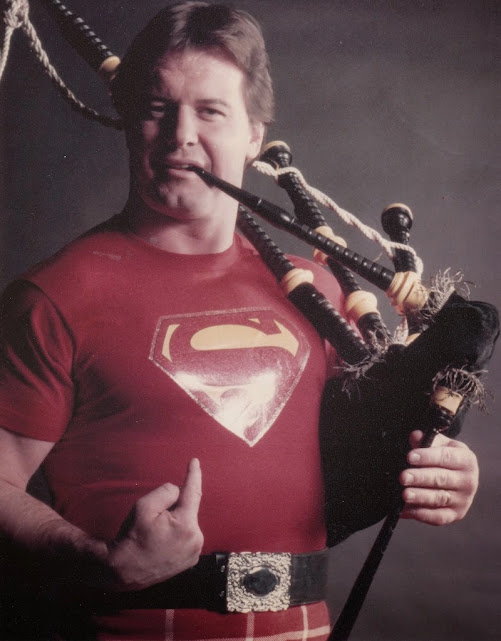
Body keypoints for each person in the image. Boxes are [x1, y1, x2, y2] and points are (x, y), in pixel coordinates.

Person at [0, 2, 480, 640]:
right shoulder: (57, 294)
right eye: (157, 108)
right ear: (128, 119)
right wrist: (96, 559)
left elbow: (364, 456)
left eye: (211, 111)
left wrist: (446, 471)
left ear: (255, 135)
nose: (181, 136)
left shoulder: (318, 292)